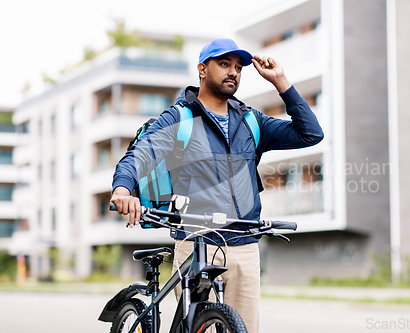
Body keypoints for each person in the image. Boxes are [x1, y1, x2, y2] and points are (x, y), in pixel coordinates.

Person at [110, 38, 323, 333]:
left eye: (238, 67)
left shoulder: (251, 121)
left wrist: (281, 81)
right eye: (224, 64)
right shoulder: (180, 118)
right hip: (198, 242)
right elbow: (139, 155)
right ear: (202, 69)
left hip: (245, 245)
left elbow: (311, 134)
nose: (233, 72)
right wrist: (123, 190)